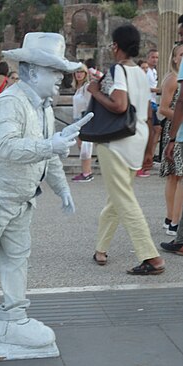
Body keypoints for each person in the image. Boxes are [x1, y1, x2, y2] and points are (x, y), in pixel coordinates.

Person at [0, 32, 85, 347]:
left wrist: (62, 188)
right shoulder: (10, 103)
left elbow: (48, 156)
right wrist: (52, 144)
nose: (61, 79)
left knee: (17, 259)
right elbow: (7, 148)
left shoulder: (45, 108)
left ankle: (13, 319)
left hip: (20, 199)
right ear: (33, 71)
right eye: (55, 72)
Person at [87, 24, 165, 275]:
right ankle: (100, 248)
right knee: (117, 198)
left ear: (116, 45)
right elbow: (150, 116)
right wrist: (149, 151)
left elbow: (119, 105)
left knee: (123, 199)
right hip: (138, 137)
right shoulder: (142, 74)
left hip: (117, 141)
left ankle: (151, 257)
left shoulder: (117, 70)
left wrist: (94, 92)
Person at [159, 43, 183, 236]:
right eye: (181, 54)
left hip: (176, 127)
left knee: (175, 177)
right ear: (174, 58)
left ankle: (171, 219)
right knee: (175, 176)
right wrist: (180, 116)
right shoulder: (173, 79)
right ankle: (172, 220)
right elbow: (163, 108)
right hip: (174, 128)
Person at [71, 63, 94, 182]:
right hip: (77, 118)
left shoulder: (86, 87)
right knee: (81, 145)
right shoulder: (78, 88)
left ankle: (87, 172)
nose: (79, 74)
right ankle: (86, 170)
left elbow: (89, 103)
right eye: (77, 72)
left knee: (85, 146)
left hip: (83, 117)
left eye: (81, 72)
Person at [146, 48, 162, 165]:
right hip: (148, 102)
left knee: (157, 129)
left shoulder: (154, 71)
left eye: (156, 57)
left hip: (153, 101)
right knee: (153, 130)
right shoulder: (146, 71)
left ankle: (151, 154)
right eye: (153, 57)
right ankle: (149, 155)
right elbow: (146, 87)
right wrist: (160, 90)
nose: (155, 60)